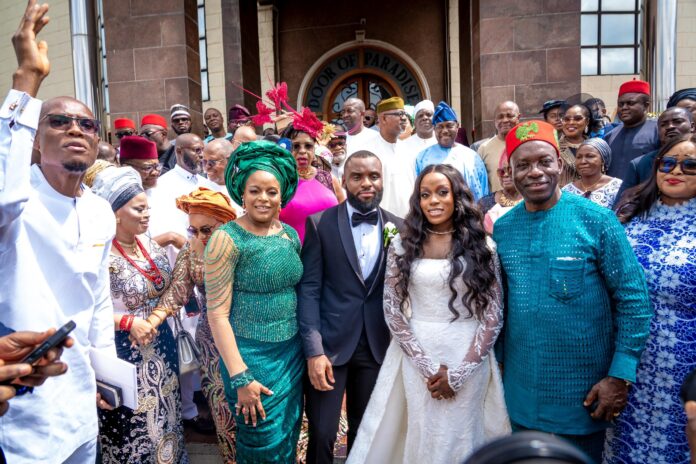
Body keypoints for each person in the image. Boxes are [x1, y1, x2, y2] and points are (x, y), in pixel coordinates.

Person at [493, 120, 652, 461]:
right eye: (523, 165)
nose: (534, 172)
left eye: (543, 161)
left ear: (559, 165)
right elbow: (501, 307)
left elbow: (634, 300)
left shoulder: (597, 220)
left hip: (583, 393)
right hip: (521, 391)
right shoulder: (504, 229)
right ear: (511, 171)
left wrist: (619, 375)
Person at [0, 4, 117, 460]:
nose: (75, 129)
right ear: (34, 136)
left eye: (86, 124)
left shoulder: (102, 210)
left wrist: (105, 373)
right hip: (21, 402)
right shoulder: (16, 202)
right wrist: (27, 79)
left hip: (80, 402)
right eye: (58, 121)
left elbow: (97, 297)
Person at [346, 163, 510, 463]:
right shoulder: (403, 244)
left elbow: (492, 314)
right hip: (417, 353)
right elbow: (392, 309)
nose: (433, 200)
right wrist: (425, 364)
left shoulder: (483, 246)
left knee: (462, 434)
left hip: (468, 354)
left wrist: (460, 373)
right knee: (422, 432)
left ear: (456, 196)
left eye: (442, 192)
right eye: (425, 194)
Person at [298, 151, 402, 463]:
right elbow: (309, 290)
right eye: (357, 177)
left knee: (366, 432)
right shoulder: (320, 224)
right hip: (330, 346)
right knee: (323, 433)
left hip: (377, 346)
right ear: (345, 181)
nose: (366, 183)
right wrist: (314, 351)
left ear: (382, 180)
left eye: (373, 176)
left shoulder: (400, 227)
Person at [205, 140, 304, 462]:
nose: (263, 199)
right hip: (250, 357)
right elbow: (217, 315)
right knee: (261, 439)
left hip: (291, 353)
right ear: (242, 194)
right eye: (255, 191)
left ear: (282, 195)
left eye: (271, 192)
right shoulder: (226, 238)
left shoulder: (289, 234)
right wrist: (241, 376)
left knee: (288, 435)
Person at [605, 135, 696, 464]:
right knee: (624, 445)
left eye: (690, 165)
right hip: (629, 361)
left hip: (683, 367)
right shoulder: (630, 215)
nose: (676, 171)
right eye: (667, 163)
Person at [91, 166, 188, 463]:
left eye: (147, 208)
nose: (147, 215)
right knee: (129, 423)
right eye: (139, 209)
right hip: (122, 351)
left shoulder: (148, 244)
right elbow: (83, 308)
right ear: (116, 213)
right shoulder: (98, 253)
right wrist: (127, 321)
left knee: (168, 413)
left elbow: (171, 287)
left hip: (161, 345)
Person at [156, 187, 238, 462]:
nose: (200, 237)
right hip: (211, 341)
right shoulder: (191, 252)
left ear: (226, 224)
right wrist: (153, 319)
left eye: (207, 230)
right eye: (193, 231)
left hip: (250, 337)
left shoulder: (244, 245)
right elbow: (177, 291)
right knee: (222, 410)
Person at [279, 119, 342, 243]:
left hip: (329, 254)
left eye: (308, 146)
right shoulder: (279, 181)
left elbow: (345, 217)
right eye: (296, 146)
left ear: (314, 149)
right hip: (294, 256)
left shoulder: (329, 179)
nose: (302, 151)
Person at [352, 97, 416, 217]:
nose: (403, 118)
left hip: (409, 222)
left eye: (404, 114)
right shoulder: (367, 151)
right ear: (384, 118)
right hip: (380, 221)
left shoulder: (408, 149)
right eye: (399, 114)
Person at [618, 105, 695, 201]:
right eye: (663, 124)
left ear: (692, 126)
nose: (670, 127)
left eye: (677, 122)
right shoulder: (640, 164)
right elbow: (620, 208)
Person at [415, 101, 489, 200]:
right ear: (434, 129)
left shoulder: (472, 157)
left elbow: (483, 192)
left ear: (457, 126)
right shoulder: (422, 158)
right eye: (440, 126)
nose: (445, 131)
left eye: (449, 126)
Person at [604, 79, 660, 181]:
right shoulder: (610, 135)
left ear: (646, 105)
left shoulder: (658, 131)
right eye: (621, 104)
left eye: (630, 103)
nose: (624, 108)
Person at [562, 138, 622, 209]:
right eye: (579, 157)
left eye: (590, 156)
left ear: (603, 160)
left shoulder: (617, 187)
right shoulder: (567, 190)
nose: (583, 161)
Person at [478, 100, 520, 191]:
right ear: (495, 120)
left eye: (510, 116)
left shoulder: (527, 143)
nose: (505, 120)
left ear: (518, 117)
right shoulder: (484, 148)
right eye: (500, 117)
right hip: (496, 203)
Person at [478, 155, 523, 234]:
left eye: (510, 171)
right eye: (502, 172)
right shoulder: (484, 203)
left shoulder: (532, 202)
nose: (505, 175)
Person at [558, 103, 595, 186]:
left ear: (587, 121)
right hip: (564, 197)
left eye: (577, 119)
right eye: (566, 119)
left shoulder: (596, 147)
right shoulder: (554, 148)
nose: (571, 122)